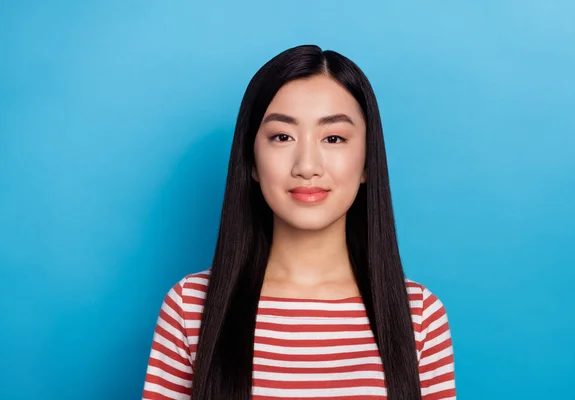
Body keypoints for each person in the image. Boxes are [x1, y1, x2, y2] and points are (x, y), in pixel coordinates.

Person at [142, 45, 456, 400]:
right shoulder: (191, 307)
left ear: (368, 160)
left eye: (333, 138)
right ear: (252, 161)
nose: (307, 165)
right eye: (282, 137)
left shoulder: (419, 315)